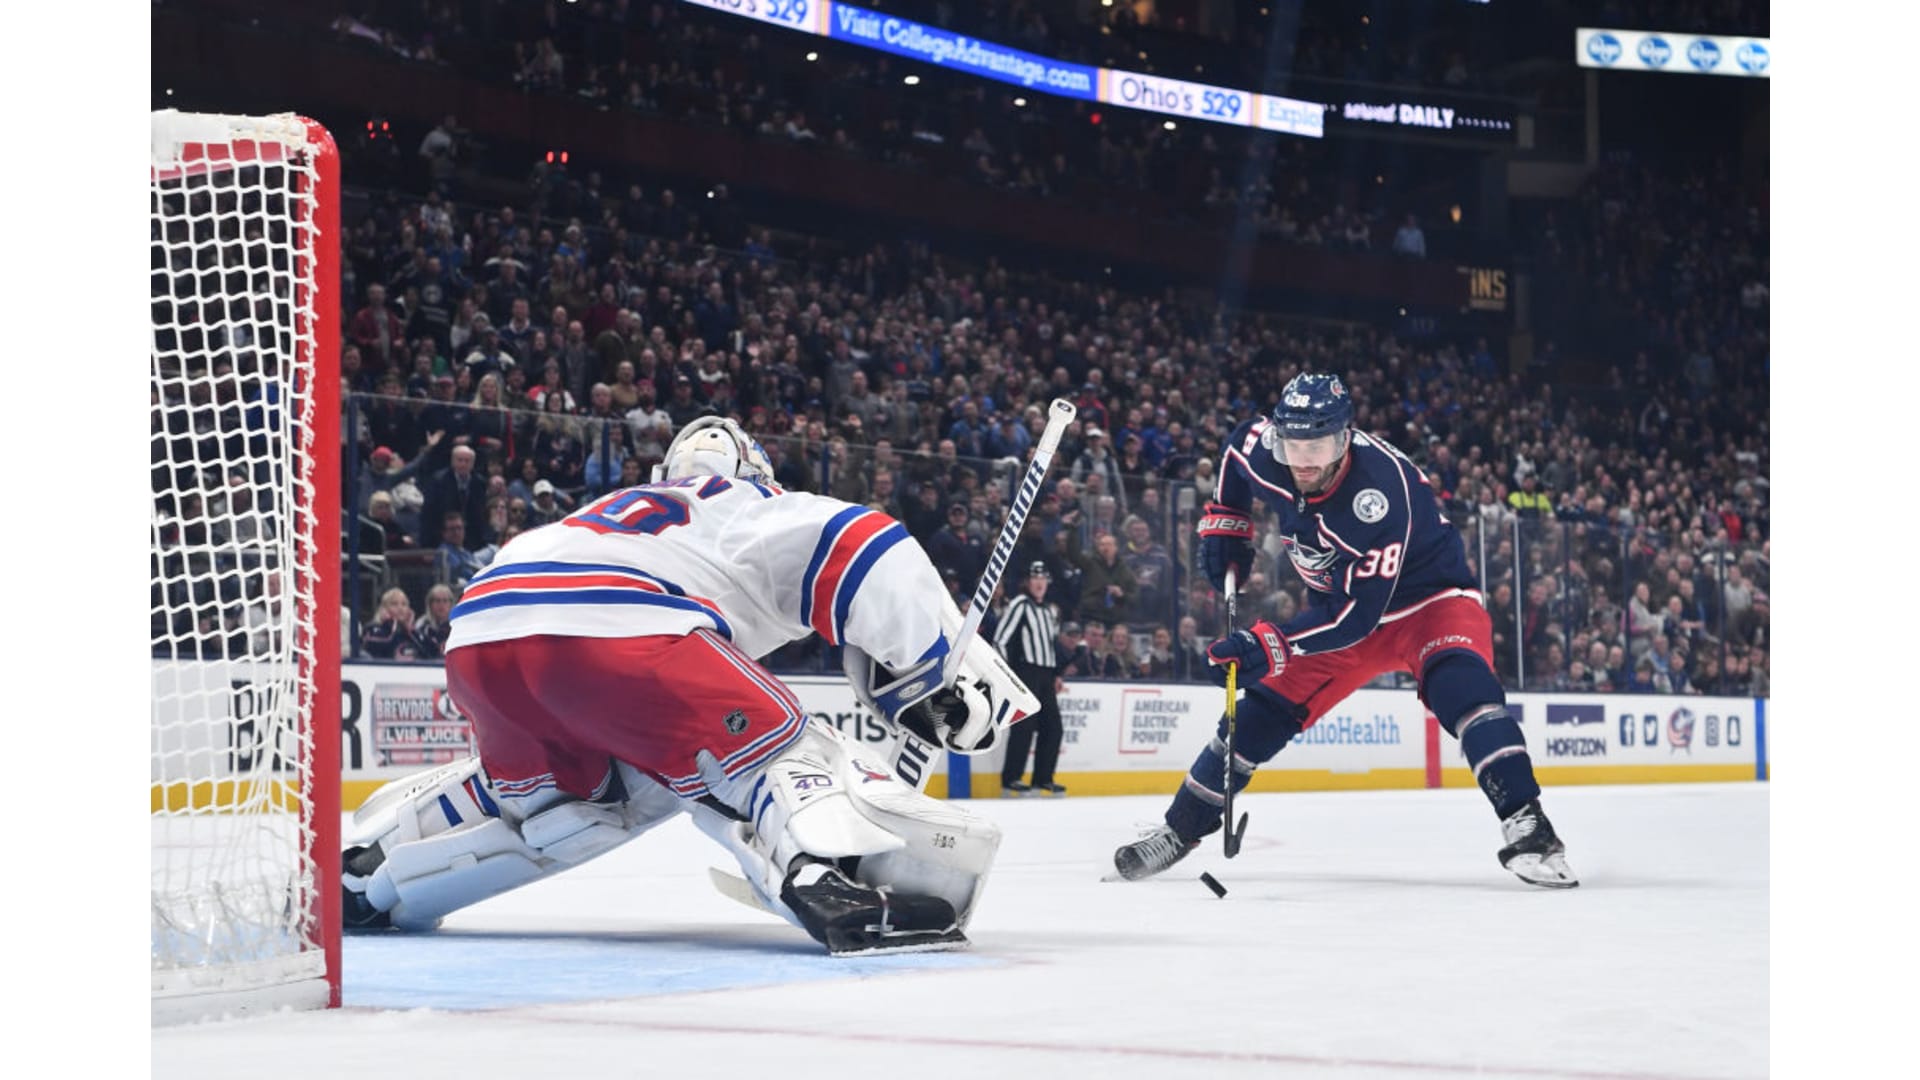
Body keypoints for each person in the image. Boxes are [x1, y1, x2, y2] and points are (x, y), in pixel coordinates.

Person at [341, 417, 1037, 956]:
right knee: (783, 745)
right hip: (618, 625)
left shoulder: (616, 506)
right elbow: (867, 542)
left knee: (568, 805)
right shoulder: (746, 503)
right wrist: (937, 668)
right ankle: (826, 878)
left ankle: (372, 871)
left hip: (482, 631)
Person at [1114, 372, 1576, 889]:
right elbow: (1236, 453)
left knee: (1463, 692)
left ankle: (1529, 825)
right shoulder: (1266, 451)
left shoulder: (1379, 494)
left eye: (1319, 446)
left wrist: (1271, 644)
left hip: (1428, 603)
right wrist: (1228, 520)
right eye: (1293, 445)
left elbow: (1357, 618)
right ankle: (1179, 829)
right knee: (1258, 716)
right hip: (1338, 611)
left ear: (1345, 439)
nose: (1304, 462)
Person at [993, 562, 1067, 797]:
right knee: (1024, 727)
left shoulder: (1049, 611)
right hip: (1026, 672)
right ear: (1027, 582)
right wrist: (1008, 675)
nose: (1039, 583)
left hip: (1046, 674)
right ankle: (1011, 778)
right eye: (1035, 578)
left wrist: (1056, 674)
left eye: (1043, 578)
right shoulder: (1020, 604)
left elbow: (1051, 645)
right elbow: (1001, 640)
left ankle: (1043, 778)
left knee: (1053, 728)